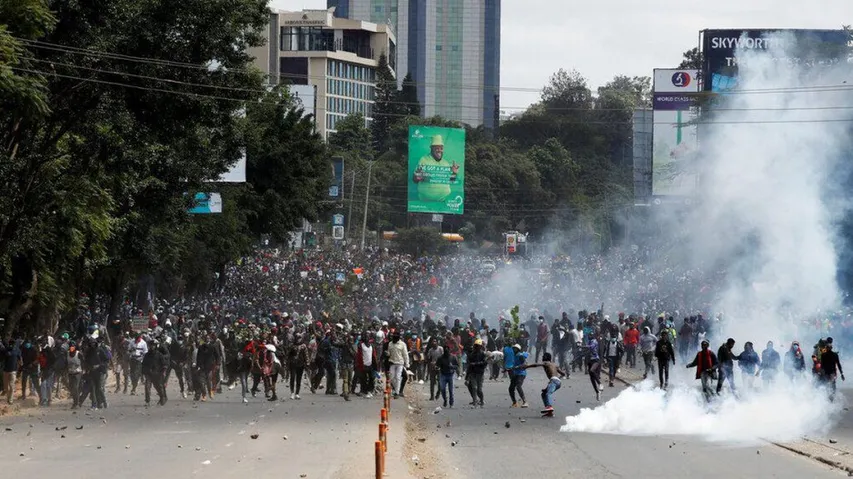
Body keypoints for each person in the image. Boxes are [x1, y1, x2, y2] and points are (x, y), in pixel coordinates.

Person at [412, 134, 460, 204]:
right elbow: (415, 179)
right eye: (437, 148)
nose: (439, 150)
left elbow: (451, 181)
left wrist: (454, 173)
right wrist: (417, 177)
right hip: (425, 203)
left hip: (444, 202)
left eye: (441, 148)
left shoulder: (445, 163)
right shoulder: (424, 160)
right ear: (431, 148)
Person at [465, 339, 487, 407]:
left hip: (480, 373)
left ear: (480, 346)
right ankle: (475, 402)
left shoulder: (483, 354)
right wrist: (467, 377)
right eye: (476, 346)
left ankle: (482, 400)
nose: (477, 347)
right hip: (473, 373)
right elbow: (469, 366)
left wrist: (476, 364)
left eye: (478, 346)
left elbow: (484, 363)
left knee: (479, 390)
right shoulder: (471, 355)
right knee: (474, 388)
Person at [387, 332, 409, 398]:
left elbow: (405, 355)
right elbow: (389, 353)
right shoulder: (390, 344)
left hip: (400, 363)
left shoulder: (402, 344)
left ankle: (397, 393)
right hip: (392, 362)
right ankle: (396, 389)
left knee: (398, 377)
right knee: (391, 378)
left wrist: (407, 364)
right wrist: (387, 354)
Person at [2, 339, 21, 405]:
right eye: (11, 343)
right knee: (6, 387)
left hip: (13, 371)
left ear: (14, 344)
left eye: (13, 344)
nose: (11, 345)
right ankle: (8, 398)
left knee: (12, 386)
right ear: (9, 344)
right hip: (5, 371)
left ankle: (10, 400)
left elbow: (20, 359)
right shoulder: (5, 350)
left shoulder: (17, 350)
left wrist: (19, 369)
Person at [66, 342, 83, 409]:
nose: (72, 348)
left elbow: (83, 362)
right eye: (71, 346)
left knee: (75, 387)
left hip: (77, 373)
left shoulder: (78, 354)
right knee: (71, 388)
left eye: (73, 346)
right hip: (70, 373)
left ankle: (76, 403)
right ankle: (75, 401)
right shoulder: (67, 354)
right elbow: (66, 363)